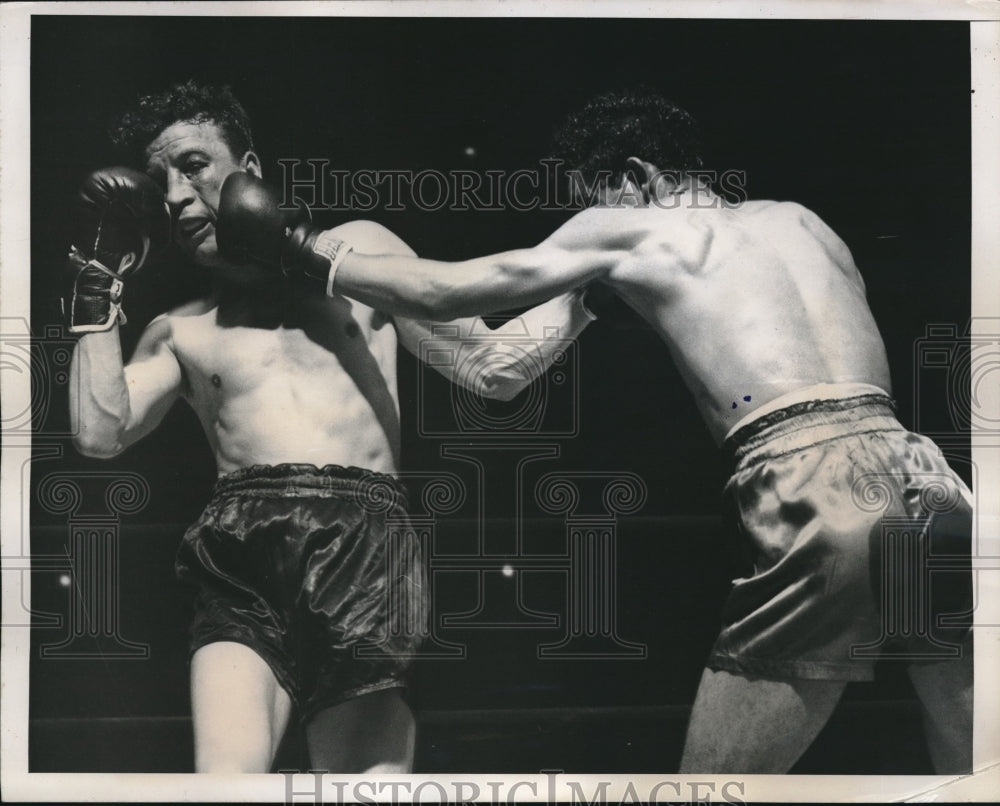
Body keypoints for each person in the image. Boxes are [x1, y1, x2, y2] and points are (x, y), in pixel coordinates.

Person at [223, 88, 974, 774]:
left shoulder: (627, 225)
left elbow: (448, 291)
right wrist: (587, 303)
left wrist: (301, 245)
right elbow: (503, 369)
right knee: (976, 768)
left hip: (812, 483)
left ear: (635, 176)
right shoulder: (802, 220)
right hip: (928, 477)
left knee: (704, 793)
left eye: (592, 196)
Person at [63, 80, 597, 774]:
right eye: (159, 178)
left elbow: (491, 366)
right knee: (223, 787)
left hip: (365, 546)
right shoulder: (180, 329)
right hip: (237, 554)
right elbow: (99, 433)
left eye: (192, 164)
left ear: (248, 169)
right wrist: (96, 280)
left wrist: (595, 274)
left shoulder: (356, 251)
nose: (172, 194)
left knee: (364, 793)